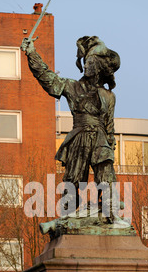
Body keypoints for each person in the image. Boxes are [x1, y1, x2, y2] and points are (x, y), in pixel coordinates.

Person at [21, 35, 121, 221]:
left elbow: (109, 127)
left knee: (106, 177)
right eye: (85, 61)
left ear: (99, 66)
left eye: (91, 62)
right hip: (79, 137)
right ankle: (68, 217)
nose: (86, 65)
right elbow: (48, 79)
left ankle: (111, 215)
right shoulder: (72, 86)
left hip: (99, 138)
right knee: (74, 181)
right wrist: (32, 54)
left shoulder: (108, 96)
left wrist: (110, 144)